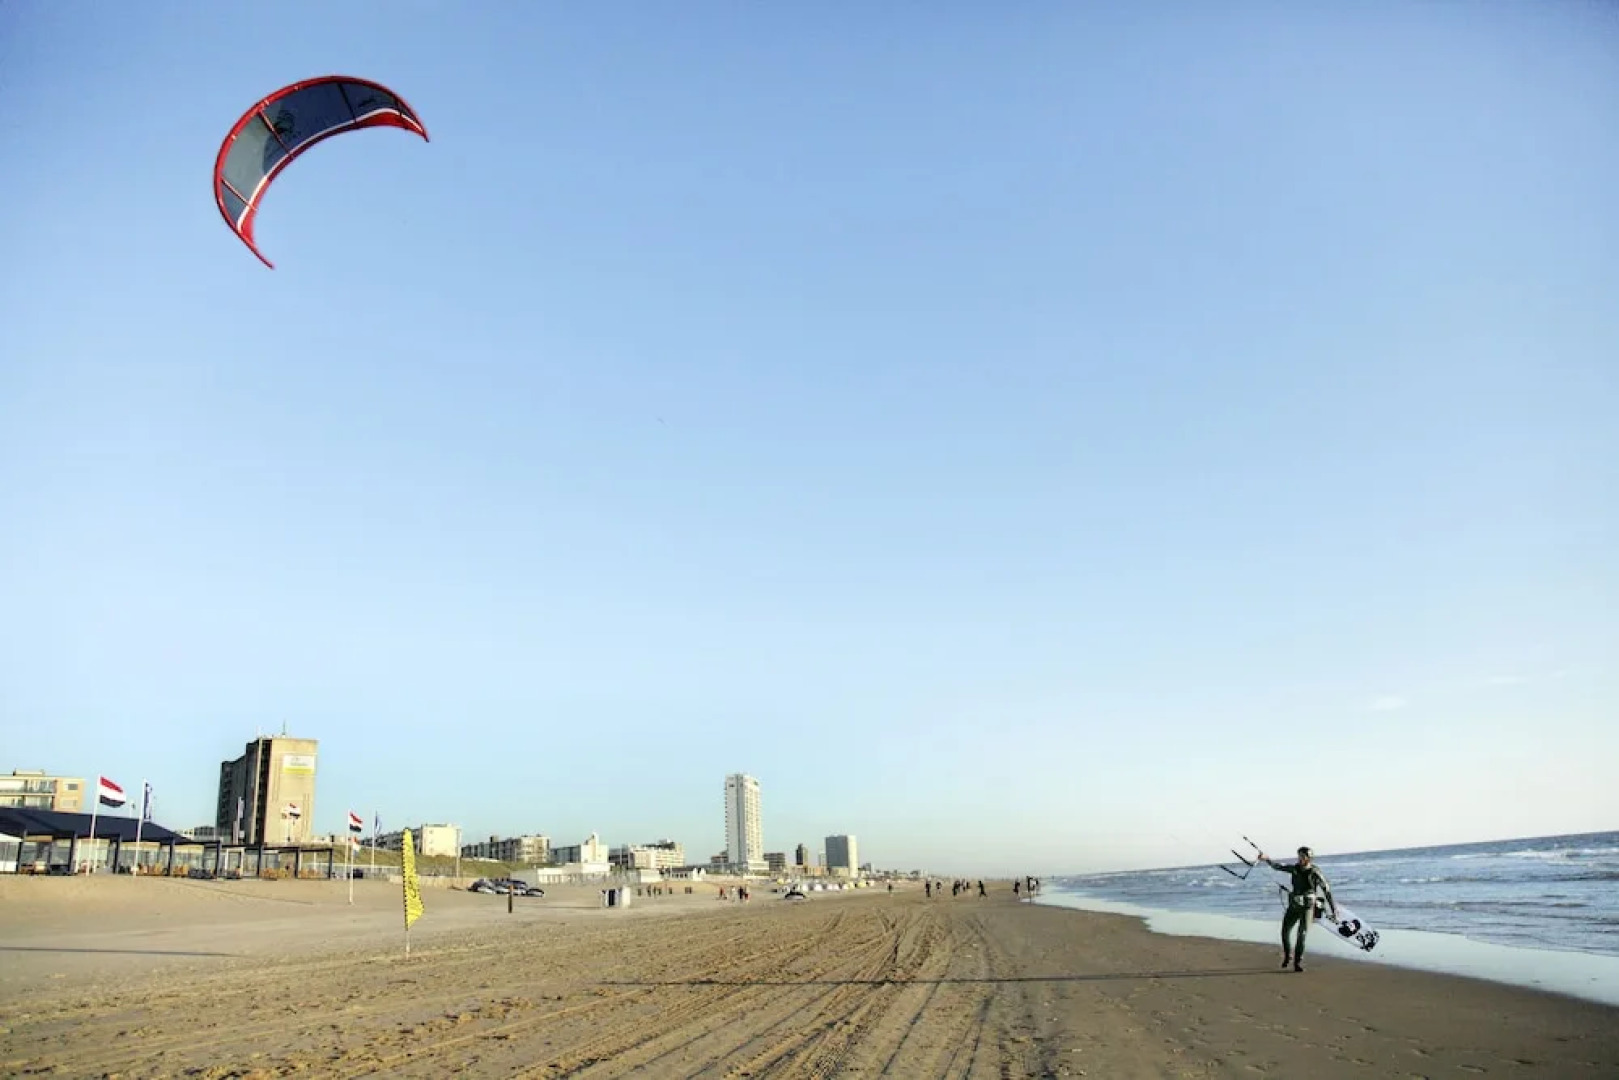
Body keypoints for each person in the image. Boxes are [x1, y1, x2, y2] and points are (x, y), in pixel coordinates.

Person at [1259, 846, 1336, 972]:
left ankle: (1297, 962)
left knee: (1302, 933)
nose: (1300, 858)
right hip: (1294, 905)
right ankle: (1288, 955)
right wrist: (1266, 859)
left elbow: (1326, 890)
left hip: (1307, 906)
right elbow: (1277, 866)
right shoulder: (1294, 869)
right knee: (1285, 930)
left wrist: (1334, 909)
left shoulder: (1315, 871)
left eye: (1302, 856)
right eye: (1299, 855)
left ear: (1309, 858)